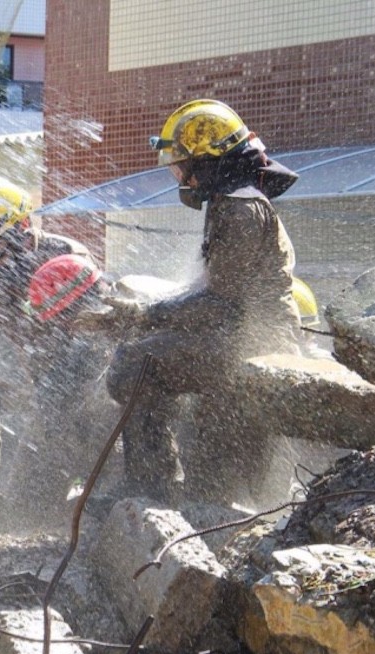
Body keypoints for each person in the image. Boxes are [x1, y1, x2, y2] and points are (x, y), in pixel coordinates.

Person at [103, 99, 300, 502]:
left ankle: (150, 489)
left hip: (254, 345)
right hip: (240, 336)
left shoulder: (239, 209)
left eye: (181, 163)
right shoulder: (230, 200)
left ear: (208, 160)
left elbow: (221, 306)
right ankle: (175, 488)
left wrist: (148, 315)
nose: (177, 174)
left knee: (133, 364)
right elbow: (216, 294)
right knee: (143, 356)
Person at [0, 175, 108, 513]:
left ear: (22, 226)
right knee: (27, 506)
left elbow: (102, 329)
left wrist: (62, 382)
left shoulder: (65, 254)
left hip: (93, 385)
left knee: (105, 473)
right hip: (43, 388)